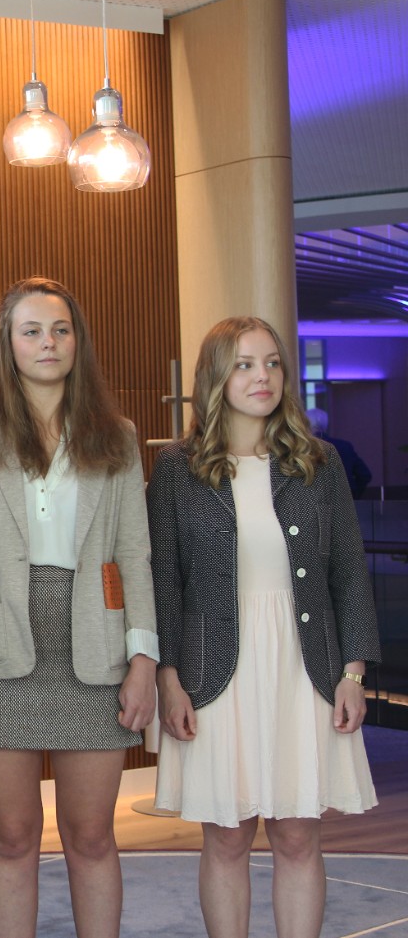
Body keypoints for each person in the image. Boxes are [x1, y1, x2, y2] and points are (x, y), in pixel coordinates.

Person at [0, 277, 157, 938]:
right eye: (31, 330)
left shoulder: (116, 436)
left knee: (92, 836)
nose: (48, 342)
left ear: (78, 342)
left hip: (96, 648)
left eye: (60, 329)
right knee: (12, 835)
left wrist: (144, 657)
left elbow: (134, 555)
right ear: (9, 344)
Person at [149, 316, 380, 938]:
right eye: (246, 364)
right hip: (212, 670)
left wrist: (354, 672)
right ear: (216, 377)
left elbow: (348, 574)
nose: (263, 377)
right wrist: (168, 679)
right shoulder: (177, 470)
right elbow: (163, 583)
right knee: (225, 835)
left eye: (273, 362)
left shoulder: (319, 463)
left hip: (305, 666)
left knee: (299, 832)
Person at [305, 406, 373, 500]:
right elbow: (365, 475)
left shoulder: (302, 449)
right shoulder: (344, 446)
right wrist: (353, 496)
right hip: (344, 503)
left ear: (305, 424)